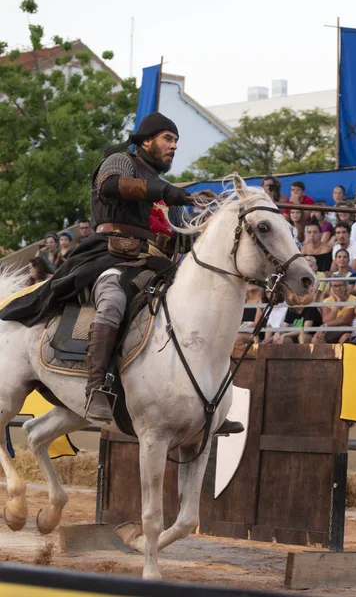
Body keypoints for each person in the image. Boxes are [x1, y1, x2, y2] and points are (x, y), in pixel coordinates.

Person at [0, 112, 242, 434]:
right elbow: (114, 186)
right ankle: (97, 386)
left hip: (159, 269)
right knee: (113, 298)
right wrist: (169, 193)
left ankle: (203, 408)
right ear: (146, 140)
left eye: (176, 142)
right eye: (168, 139)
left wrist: (218, 219)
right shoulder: (120, 162)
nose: (174, 146)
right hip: (110, 256)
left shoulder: (166, 190)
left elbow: (184, 240)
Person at [312, 279, 356, 344]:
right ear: (330, 288)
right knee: (315, 340)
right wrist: (337, 305)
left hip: (347, 329)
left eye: (340, 285)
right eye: (335, 286)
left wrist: (324, 326)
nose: (337, 289)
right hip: (331, 330)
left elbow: (345, 320)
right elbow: (326, 320)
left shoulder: (354, 299)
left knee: (345, 337)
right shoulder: (327, 301)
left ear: (345, 287)